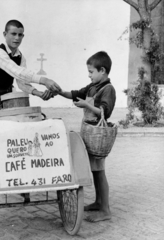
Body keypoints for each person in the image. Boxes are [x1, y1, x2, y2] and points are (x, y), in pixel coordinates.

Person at [58, 51, 116, 222]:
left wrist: (85, 105)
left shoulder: (108, 89)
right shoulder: (92, 87)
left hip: (98, 136)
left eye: (91, 72)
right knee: (95, 170)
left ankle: (105, 210)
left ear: (102, 71)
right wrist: (59, 92)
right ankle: (98, 202)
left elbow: (104, 112)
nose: (89, 75)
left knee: (99, 172)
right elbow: (76, 93)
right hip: (89, 134)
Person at [0, 19, 61, 118]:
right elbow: (18, 72)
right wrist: (45, 80)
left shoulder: (20, 57)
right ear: (5, 34)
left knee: (19, 121)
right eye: (13, 34)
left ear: (23, 36)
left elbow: (21, 82)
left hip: (9, 93)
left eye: (20, 35)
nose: (17, 38)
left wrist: (39, 93)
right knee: (1, 122)